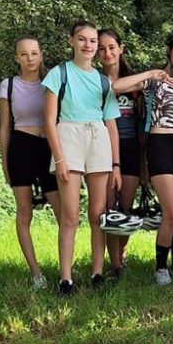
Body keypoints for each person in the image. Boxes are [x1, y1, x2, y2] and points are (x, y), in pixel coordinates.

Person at [113, 28, 173, 286]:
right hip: (159, 143)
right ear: (170, 52)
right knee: (171, 212)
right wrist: (151, 74)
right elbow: (117, 86)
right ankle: (160, 268)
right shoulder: (154, 79)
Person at [43, 22, 122, 295]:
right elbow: (49, 120)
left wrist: (116, 165)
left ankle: (98, 272)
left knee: (97, 214)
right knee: (70, 214)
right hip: (69, 138)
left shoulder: (103, 81)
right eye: (82, 39)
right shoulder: (59, 73)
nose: (88, 45)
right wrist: (60, 159)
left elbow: (111, 124)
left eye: (92, 41)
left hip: (98, 139)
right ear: (71, 41)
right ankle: (65, 279)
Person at [0, 36, 61, 289]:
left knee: (62, 212)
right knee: (24, 213)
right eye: (24, 54)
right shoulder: (9, 85)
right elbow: (4, 128)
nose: (30, 59)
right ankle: (36, 273)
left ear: (41, 55)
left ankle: (65, 266)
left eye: (34, 53)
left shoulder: (51, 83)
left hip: (48, 147)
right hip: (21, 147)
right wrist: (5, 164)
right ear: (17, 58)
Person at [97, 29, 144, 275]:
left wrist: (145, 159)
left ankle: (121, 254)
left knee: (125, 208)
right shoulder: (93, 79)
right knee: (108, 209)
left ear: (121, 48)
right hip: (103, 148)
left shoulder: (135, 83)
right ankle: (114, 264)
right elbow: (111, 88)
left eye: (112, 47)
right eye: (102, 48)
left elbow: (142, 120)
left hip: (131, 148)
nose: (107, 52)